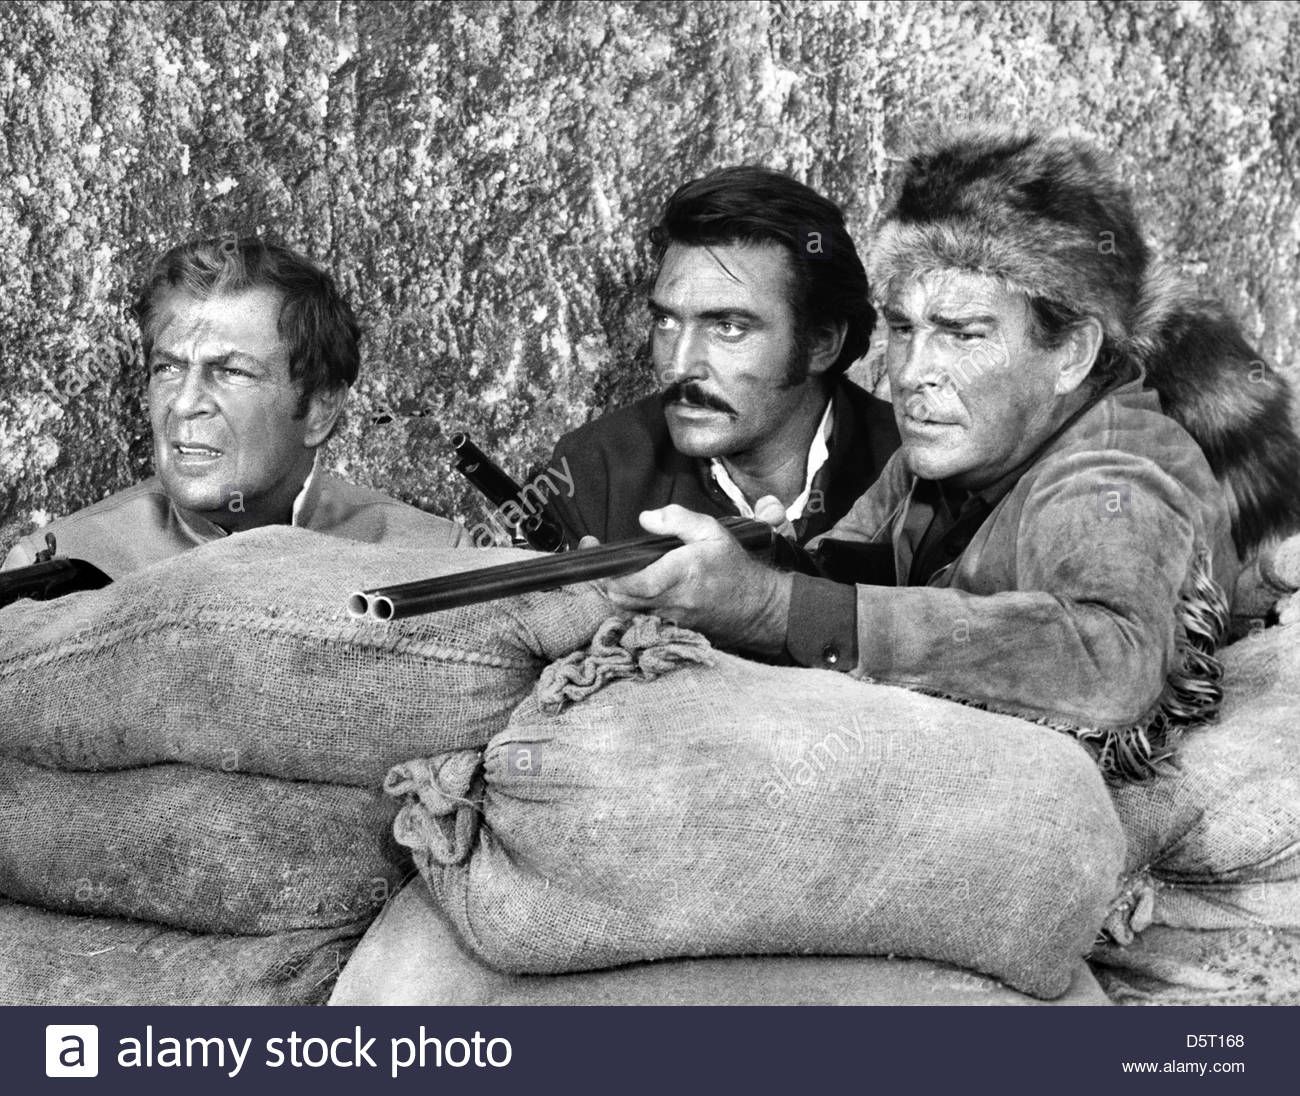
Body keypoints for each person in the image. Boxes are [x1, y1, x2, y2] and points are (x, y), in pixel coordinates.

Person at [593, 127, 1300, 781]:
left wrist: (772, 607)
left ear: (1072, 354)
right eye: (904, 329)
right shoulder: (942, 455)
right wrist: (752, 567)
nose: (911, 373)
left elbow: (1112, 662)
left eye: (962, 334)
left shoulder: (1114, 475)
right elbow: (842, 576)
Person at [3, 236, 467, 576]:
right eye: (168, 368)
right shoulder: (55, 571)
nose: (186, 403)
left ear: (320, 409)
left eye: (232, 372)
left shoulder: (434, 560)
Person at [542, 166, 899, 548]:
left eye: (728, 327)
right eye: (666, 320)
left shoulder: (914, 471)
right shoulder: (594, 473)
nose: (679, 367)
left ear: (821, 343)